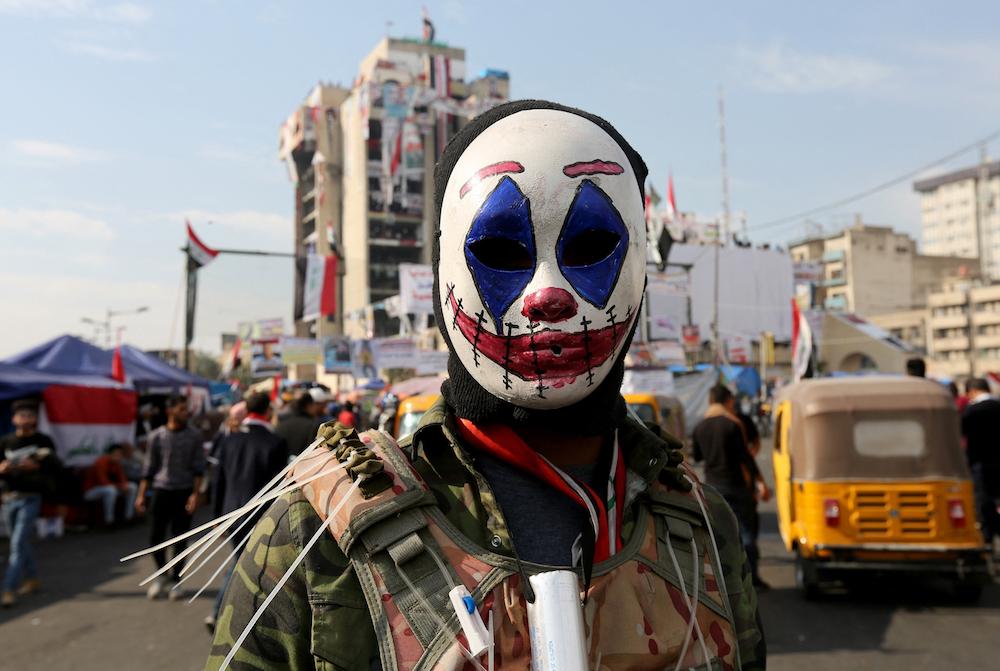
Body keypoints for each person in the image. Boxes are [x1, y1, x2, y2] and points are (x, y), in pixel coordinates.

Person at [207, 100, 764, 671]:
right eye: (502, 253)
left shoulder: (700, 528)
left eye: (591, 247)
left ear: (641, 261)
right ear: (446, 265)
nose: (550, 295)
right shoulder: (321, 528)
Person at [205, 393, 288, 634]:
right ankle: (220, 611)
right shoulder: (275, 443)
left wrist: (216, 517)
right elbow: (277, 487)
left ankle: (235, 613)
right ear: (269, 411)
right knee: (243, 563)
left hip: (230, 514)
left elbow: (217, 482)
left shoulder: (228, 441)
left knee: (243, 561)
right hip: (260, 517)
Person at [693, 385, 772, 590]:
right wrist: (761, 482)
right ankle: (751, 578)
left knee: (717, 535)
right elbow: (746, 457)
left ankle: (722, 582)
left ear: (710, 402)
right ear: (728, 401)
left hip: (711, 488)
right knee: (745, 533)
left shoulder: (700, 427)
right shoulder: (734, 424)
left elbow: (698, 456)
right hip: (736, 485)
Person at [136, 393, 205, 601]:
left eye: (186, 408)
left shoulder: (194, 436)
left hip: (183, 492)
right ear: (170, 411)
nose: (186, 412)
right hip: (161, 491)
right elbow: (149, 468)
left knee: (180, 538)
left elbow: (198, 469)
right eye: (182, 409)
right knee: (155, 537)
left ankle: (176, 579)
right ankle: (161, 574)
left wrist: (195, 494)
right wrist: (141, 495)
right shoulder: (157, 436)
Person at [0, 398, 61, 608]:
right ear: (14, 418)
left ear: (36, 418)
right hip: (9, 499)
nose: (26, 419)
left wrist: (36, 466)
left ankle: (7, 589)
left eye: (30, 415)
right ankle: (33, 578)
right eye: (22, 415)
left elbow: (57, 467)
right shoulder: (6, 441)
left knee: (17, 543)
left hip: (31, 498)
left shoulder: (43, 440)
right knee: (22, 542)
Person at [961, 378, 1000, 548]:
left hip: (981, 464)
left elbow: (960, 433)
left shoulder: (973, 411)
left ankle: (987, 542)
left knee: (984, 504)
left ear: (972, 391)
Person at [82, 443, 138, 528]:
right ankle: (109, 520)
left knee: (132, 487)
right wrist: (121, 486)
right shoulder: (101, 462)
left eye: (120, 455)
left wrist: (124, 486)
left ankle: (128, 516)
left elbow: (122, 478)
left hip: (111, 488)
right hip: (91, 491)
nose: (118, 457)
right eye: (116, 455)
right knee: (110, 490)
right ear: (110, 454)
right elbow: (103, 482)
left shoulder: (117, 463)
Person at [274, 391, 323, 457]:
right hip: (307, 466)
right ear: (309, 406)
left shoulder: (279, 426)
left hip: (284, 467)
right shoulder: (315, 426)